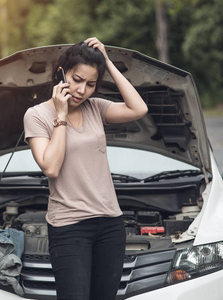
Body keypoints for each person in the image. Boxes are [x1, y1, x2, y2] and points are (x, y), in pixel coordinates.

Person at [23, 37, 148, 300]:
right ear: (61, 73)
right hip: (70, 227)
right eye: (77, 79)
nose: (82, 90)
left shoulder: (96, 108)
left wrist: (108, 63)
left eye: (91, 84)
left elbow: (139, 108)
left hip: (110, 224)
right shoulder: (37, 115)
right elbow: (51, 167)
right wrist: (61, 115)